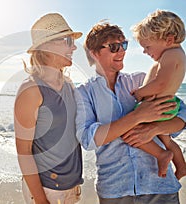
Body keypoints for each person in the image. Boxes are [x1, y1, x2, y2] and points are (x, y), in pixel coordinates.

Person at [75, 21, 186, 204]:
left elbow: (181, 113)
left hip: (160, 185)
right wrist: (138, 116)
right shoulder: (83, 93)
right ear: (94, 53)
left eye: (123, 45)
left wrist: (154, 129)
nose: (122, 51)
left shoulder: (142, 81)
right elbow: (89, 139)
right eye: (114, 47)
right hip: (115, 190)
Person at [14, 13, 83, 204]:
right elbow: (24, 152)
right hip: (47, 191)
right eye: (67, 41)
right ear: (46, 46)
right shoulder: (31, 90)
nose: (74, 46)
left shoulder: (69, 85)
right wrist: (41, 201)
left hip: (73, 187)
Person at [131, 9, 186, 180]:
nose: (145, 52)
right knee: (167, 139)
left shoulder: (171, 55)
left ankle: (162, 155)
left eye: (147, 47)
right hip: (165, 107)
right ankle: (181, 166)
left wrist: (140, 93)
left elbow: (161, 83)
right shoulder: (175, 54)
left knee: (131, 129)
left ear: (168, 40)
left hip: (159, 108)